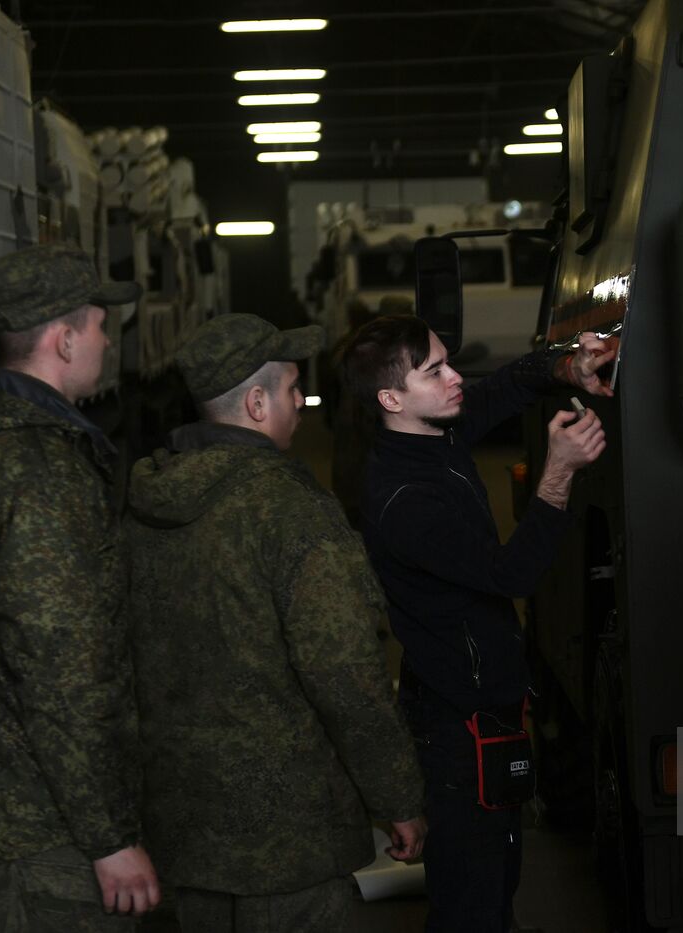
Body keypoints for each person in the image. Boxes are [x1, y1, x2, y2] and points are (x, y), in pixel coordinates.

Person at [125, 313, 426, 933]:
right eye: (293, 390)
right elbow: (346, 678)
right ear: (257, 403)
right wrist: (397, 798)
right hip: (290, 842)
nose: (300, 403)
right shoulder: (289, 513)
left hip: (185, 830)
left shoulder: (146, 506)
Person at [340, 314, 613, 932]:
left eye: (447, 360)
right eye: (434, 371)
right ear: (391, 399)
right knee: (471, 898)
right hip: (457, 728)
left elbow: (507, 385)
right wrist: (560, 471)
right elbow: (510, 574)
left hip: (483, 703)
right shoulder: (405, 499)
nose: (456, 377)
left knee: (497, 878)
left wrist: (567, 366)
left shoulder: (436, 433)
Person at [0, 243, 160, 929]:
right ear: (62, 341)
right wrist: (110, 836)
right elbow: (65, 672)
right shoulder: (40, 471)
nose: (106, 340)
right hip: (45, 834)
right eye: (96, 325)